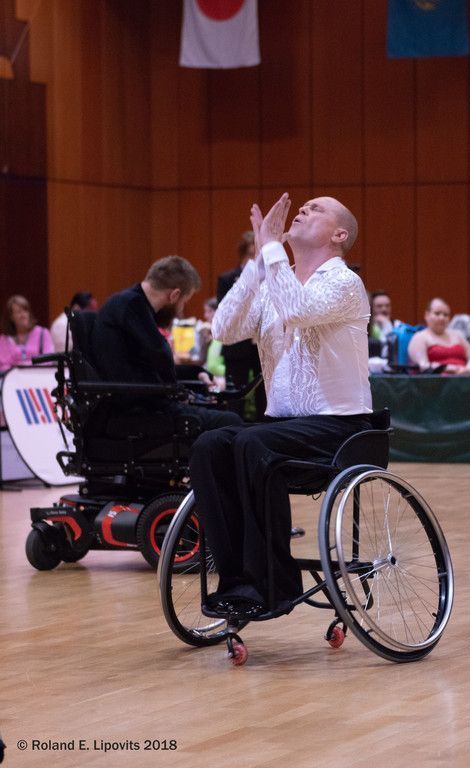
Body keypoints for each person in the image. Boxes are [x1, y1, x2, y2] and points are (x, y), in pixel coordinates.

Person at [190, 193, 373, 619]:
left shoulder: (344, 282)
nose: (303, 210)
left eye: (316, 208)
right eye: (303, 206)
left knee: (253, 443)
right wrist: (259, 259)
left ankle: (273, 584)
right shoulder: (276, 279)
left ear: (339, 235)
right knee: (209, 445)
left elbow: (297, 309)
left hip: (341, 428)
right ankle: (238, 581)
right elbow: (223, 328)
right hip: (282, 428)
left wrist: (272, 247)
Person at [91, 256, 242, 437]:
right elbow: (160, 356)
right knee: (230, 421)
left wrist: (195, 373)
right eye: (184, 302)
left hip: (138, 401)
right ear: (174, 295)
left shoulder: (128, 303)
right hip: (136, 410)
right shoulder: (132, 306)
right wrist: (179, 392)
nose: (181, 310)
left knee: (225, 418)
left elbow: (153, 368)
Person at [217, 231, 265, 419]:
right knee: (235, 393)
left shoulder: (269, 277)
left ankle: (264, 427)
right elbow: (225, 311)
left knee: (264, 393)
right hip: (237, 345)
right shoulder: (227, 278)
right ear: (244, 252)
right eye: (253, 252)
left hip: (262, 343)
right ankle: (233, 425)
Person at [408, 297, 470, 375]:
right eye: (437, 313)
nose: (442, 318)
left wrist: (467, 369)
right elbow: (424, 366)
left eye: (446, 315)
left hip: (463, 379)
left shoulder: (457, 335)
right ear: (427, 315)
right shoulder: (419, 337)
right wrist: (447, 368)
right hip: (437, 381)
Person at [0, 295, 54, 373]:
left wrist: (27, 366)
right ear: (11, 317)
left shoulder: (43, 333)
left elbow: (49, 360)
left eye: (25, 310)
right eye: (18, 312)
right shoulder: (3, 339)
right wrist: (19, 369)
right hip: (13, 378)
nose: (23, 315)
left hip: (39, 376)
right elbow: (2, 366)